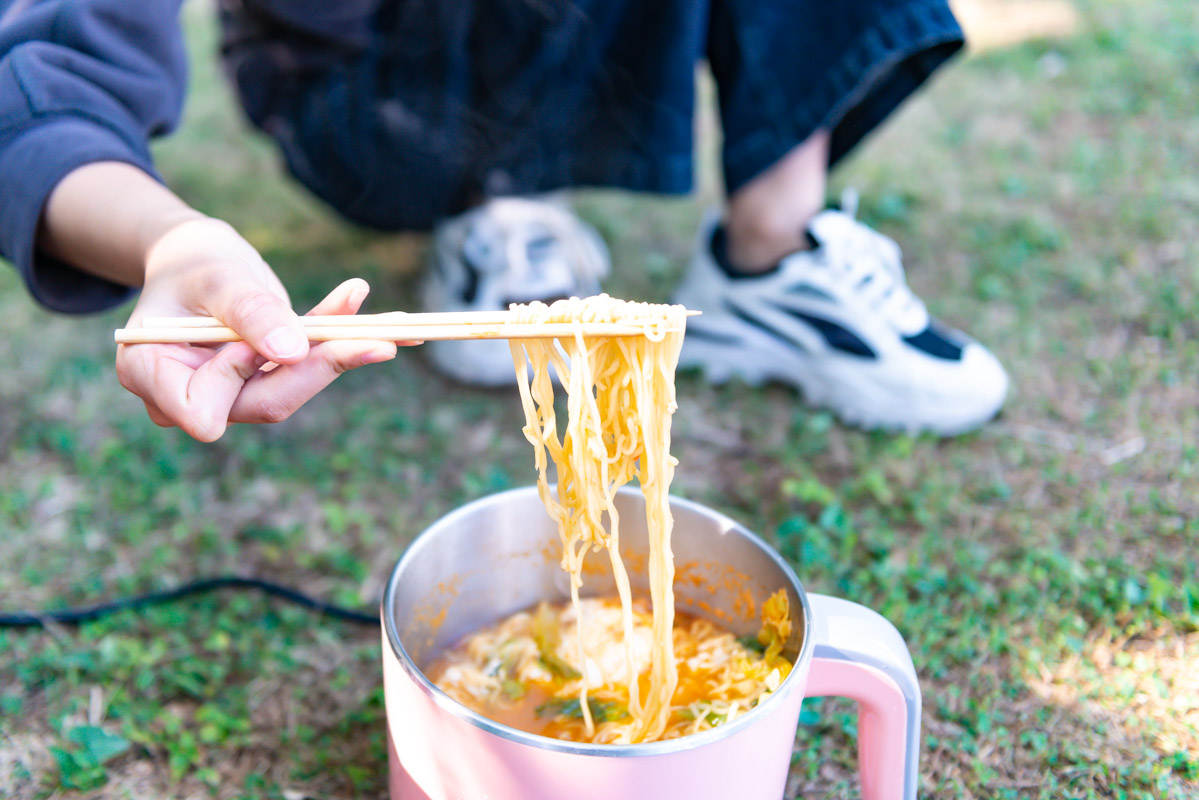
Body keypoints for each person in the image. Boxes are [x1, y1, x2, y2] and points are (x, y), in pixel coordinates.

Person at [0, 0, 1007, 442]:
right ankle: (495, 202)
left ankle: (772, 252)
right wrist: (176, 243)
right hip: (374, 95)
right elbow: (44, 78)